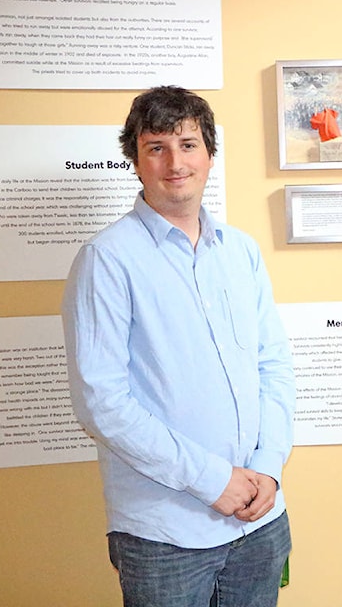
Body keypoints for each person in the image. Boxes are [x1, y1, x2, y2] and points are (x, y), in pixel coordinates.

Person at [62, 86, 296, 606]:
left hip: (261, 520)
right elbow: (102, 404)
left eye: (188, 144)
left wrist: (269, 468)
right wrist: (214, 481)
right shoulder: (107, 260)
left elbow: (273, 367)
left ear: (210, 154)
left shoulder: (241, 252)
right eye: (156, 147)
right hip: (165, 534)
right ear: (136, 159)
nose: (175, 162)